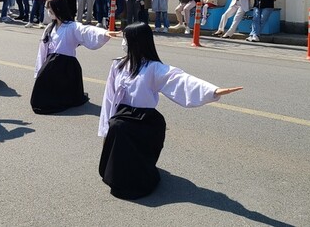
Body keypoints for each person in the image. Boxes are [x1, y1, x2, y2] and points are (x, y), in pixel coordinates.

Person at [98, 23, 242, 200]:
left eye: (126, 39)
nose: (123, 43)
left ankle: (136, 177)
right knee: (117, 127)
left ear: (137, 42)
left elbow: (180, 79)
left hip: (143, 118)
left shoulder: (153, 68)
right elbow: (109, 96)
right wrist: (105, 126)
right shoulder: (118, 65)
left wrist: (212, 91)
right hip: (121, 115)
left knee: (123, 130)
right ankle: (118, 174)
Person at [31, 0, 114, 114]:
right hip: (50, 64)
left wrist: (104, 33)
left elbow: (87, 30)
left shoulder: (72, 26)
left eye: (51, 10)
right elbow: (42, 50)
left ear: (58, 10)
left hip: (67, 65)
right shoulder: (50, 27)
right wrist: (39, 69)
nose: (49, 13)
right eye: (48, 10)